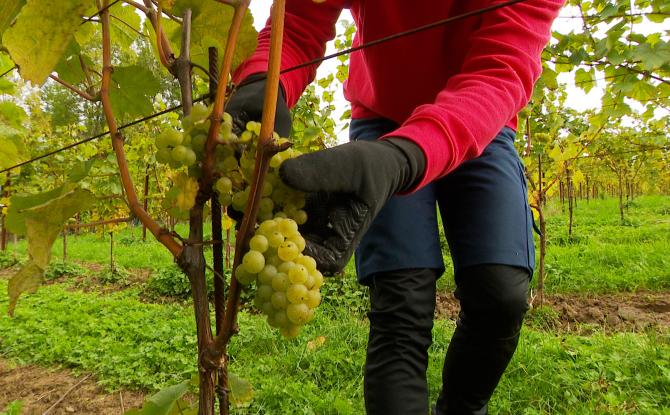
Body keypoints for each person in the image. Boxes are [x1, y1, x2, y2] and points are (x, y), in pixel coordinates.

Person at [226, 1, 564, 413]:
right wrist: (265, 79)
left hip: (480, 119)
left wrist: (404, 160)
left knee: (501, 295)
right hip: (384, 119)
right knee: (401, 300)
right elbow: (299, 21)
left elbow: (501, 67)